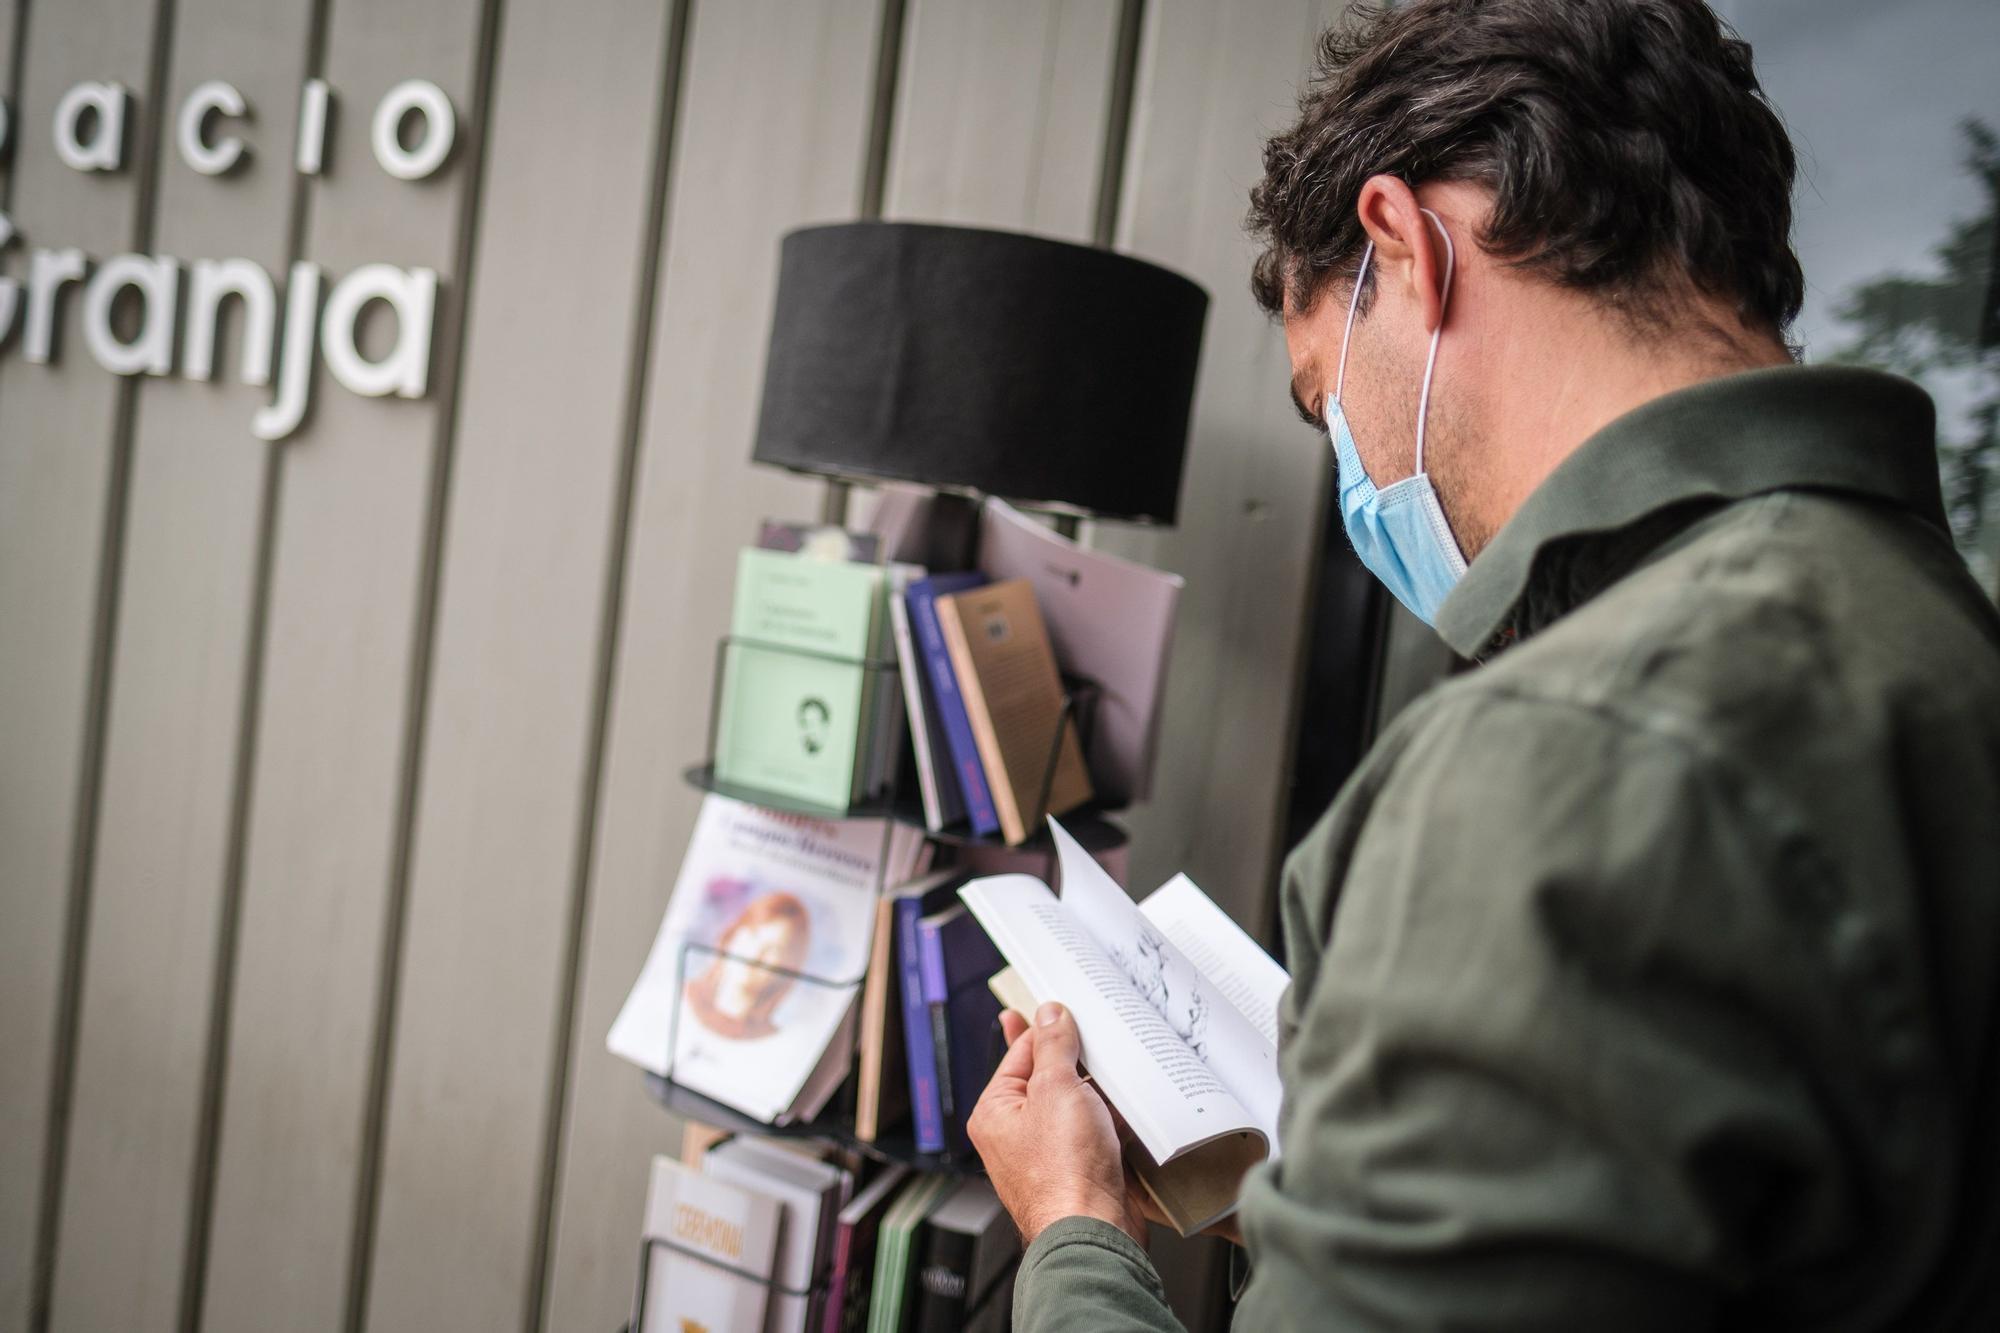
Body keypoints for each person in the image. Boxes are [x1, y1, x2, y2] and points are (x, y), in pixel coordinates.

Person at [966, 1, 2000, 1328]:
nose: (1349, 463)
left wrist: (1073, 1229)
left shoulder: (1566, 757)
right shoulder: (1935, 635)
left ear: (1405, 245)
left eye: (1322, 403)